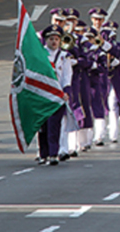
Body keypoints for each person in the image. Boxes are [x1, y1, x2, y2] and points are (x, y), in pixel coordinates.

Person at [38, 25, 72, 166]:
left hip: (57, 96)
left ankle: (53, 154)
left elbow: (67, 75)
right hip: (43, 95)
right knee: (42, 127)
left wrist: (66, 92)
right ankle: (43, 154)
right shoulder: (40, 55)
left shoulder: (64, 56)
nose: (54, 42)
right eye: (51, 39)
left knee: (54, 125)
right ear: (46, 40)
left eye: (57, 39)